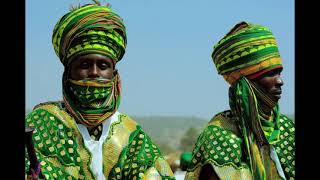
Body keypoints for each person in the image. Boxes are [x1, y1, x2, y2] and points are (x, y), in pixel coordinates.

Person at [25, 1, 175, 179]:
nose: (94, 72)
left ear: (114, 74)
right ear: (68, 72)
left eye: (103, 65)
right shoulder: (43, 124)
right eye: (85, 64)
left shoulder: (131, 134)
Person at [185, 22, 295, 180]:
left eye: (279, 72)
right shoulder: (220, 137)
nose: (279, 81)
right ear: (246, 84)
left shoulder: (286, 129)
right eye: (270, 73)